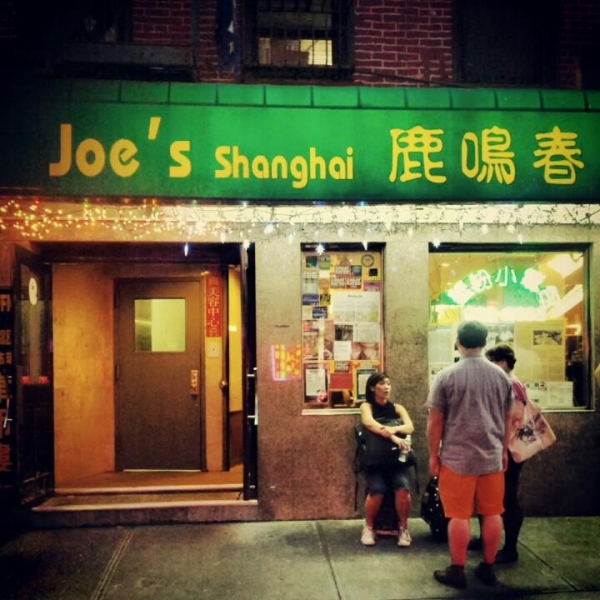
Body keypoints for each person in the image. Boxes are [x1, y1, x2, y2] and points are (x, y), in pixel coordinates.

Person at [426, 321, 513, 589]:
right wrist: (504, 449)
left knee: (458, 515)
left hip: (457, 458)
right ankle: (488, 567)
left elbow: (435, 421)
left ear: (458, 342)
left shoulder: (446, 376)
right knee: (493, 513)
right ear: (485, 343)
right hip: (491, 457)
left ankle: (457, 570)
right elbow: (508, 417)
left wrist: (433, 454)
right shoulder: (501, 376)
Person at [484, 343, 530, 563]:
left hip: (509, 450)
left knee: (508, 497)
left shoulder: (511, 384)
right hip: (504, 447)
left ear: (502, 363)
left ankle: (510, 548)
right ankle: (487, 540)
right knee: (494, 496)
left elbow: (512, 421)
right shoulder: (511, 382)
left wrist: (500, 448)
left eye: (491, 362)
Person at [359, 371, 414, 548]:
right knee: (377, 489)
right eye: (382, 384)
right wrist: (393, 436)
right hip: (374, 460)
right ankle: (368, 527)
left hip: (395, 460)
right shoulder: (366, 406)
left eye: (388, 384)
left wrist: (394, 429)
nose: (386, 387)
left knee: (402, 487)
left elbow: (410, 427)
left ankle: (403, 528)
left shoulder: (398, 408)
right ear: (372, 388)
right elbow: (369, 423)